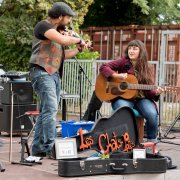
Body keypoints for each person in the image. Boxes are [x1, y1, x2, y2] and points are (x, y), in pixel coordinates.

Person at [29, 2, 88, 157]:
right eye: (68, 18)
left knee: (45, 112)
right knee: (51, 109)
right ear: (60, 16)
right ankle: (50, 146)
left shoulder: (58, 32)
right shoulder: (44, 26)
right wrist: (77, 39)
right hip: (41, 71)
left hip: (54, 74)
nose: (69, 21)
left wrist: (79, 48)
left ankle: (38, 149)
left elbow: (62, 56)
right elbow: (63, 40)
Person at [99, 39, 164, 143]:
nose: (131, 51)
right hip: (123, 97)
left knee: (152, 114)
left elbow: (149, 89)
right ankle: (123, 141)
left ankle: (152, 142)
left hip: (141, 98)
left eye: (135, 48)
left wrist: (156, 92)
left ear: (141, 51)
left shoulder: (148, 67)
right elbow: (104, 67)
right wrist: (117, 75)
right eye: (130, 48)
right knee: (123, 109)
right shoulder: (123, 62)